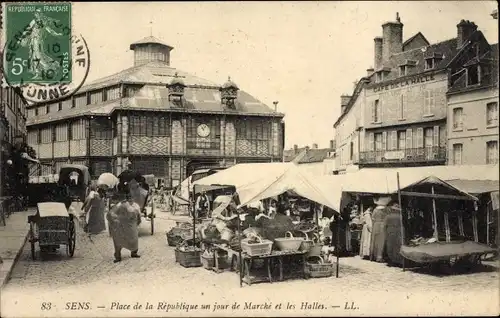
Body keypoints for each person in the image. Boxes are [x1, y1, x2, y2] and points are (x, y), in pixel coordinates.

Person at [106, 182, 141, 263]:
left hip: (125, 224)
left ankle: (127, 253)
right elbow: (110, 215)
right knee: (123, 238)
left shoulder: (132, 205)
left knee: (130, 238)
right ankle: (120, 255)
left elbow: (110, 215)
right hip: (123, 224)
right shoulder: (123, 205)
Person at [370, 197, 390, 262]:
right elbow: (387, 218)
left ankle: (373, 256)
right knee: (381, 241)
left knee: (374, 240)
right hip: (382, 225)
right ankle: (379, 257)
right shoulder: (386, 210)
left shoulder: (375, 210)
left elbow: (372, 218)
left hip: (375, 225)